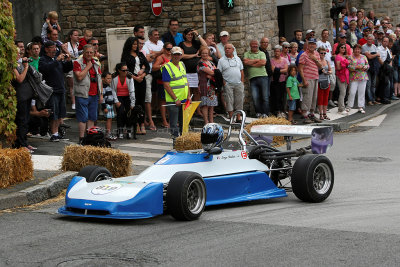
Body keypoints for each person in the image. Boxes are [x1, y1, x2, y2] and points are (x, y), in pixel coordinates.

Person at [39, 40, 73, 142]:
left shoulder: (56, 59)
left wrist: (68, 60)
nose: (55, 50)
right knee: (54, 113)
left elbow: (67, 69)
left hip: (60, 89)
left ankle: (57, 132)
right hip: (51, 90)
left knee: (60, 113)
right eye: (52, 48)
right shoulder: (43, 60)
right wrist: (57, 60)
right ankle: (53, 133)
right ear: (46, 49)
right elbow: (46, 69)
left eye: (55, 47)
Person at [73, 44, 103, 144]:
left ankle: (90, 137)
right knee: (83, 117)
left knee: (92, 117)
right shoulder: (77, 62)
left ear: (94, 53)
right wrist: (88, 67)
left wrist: (101, 94)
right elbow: (79, 77)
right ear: (83, 53)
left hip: (94, 94)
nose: (89, 54)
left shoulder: (96, 63)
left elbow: (99, 80)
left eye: (91, 52)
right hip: (82, 93)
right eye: (87, 52)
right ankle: (81, 138)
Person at [121, 37, 150, 134]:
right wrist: (135, 77)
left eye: (136, 44)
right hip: (132, 80)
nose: (135, 46)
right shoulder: (126, 55)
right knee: (133, 102)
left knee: (141, 102)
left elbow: (147, 66)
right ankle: (135, 124)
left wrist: (143, 74)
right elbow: (125, 69)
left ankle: (141, 123)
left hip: (142, 80)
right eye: (133, 44)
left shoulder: (141, 54)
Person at [162, 46, 191, 138]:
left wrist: (188, 95)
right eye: (175, 54)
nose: (177, 56)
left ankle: (183, 140)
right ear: (171, 55)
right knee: (174, 123)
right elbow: (166, 85)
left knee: (183, 122)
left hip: (183, 99)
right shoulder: (167, 67)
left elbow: (185, 81)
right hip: (173, 100)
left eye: (178, 54)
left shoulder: (182, 64)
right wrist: (175, 99)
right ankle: (175, 140)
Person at [179, 28, 207, 115]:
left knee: (196, 92)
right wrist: (194, 55)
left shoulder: (196, 43)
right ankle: (189, 110)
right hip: (186, 71)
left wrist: (198, 35)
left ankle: (198, 110)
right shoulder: (181, 44)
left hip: (195, 71)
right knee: (188, 91)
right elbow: (182, 56)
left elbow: (205, 45)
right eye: (188, 34)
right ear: (185, 35)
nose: (190, 36)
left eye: (192, 34)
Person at [12, 49, 35, 152]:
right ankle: (20, 144)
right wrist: (26, 67)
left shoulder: (20, 64)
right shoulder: (13, 65)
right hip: (20, 97)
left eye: (20, 53)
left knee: (26, 120)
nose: (19, 55)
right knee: (21, 120)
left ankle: (25, 142)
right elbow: (20, 79)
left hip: (27, 96)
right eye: (17, 53)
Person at [143, 29, 164, 131]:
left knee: (156, 92)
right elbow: (150, 58)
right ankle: (149, 116)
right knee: (149, 95)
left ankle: (155, 109)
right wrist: (160, 52)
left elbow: (157, 54)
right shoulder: (146, 44)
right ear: (150, 36)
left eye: (158, 34)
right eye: (155, 35)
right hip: (151, 71)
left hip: (158, 70)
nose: (157, 36)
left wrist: (155, 54)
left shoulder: (161, 42)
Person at [298, 38, 322, 123]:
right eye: (310, 44)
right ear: (308, 45)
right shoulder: (303, 55)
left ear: (316, 45)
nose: (312, 45)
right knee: (307, 97)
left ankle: (311, 114)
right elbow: (300, 69)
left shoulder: (316, 54)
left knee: (314, 97)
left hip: (315, 77)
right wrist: (304, 80)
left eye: (313, 44)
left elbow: (321, 66)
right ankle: (305, 115)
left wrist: (314, 58)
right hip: (307, 78)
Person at [218, 43, 244, 122]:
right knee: (229, 101)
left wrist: (242, 82)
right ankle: (231, 117)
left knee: (239, 100)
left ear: (233, 50)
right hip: (228, 84)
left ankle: (238, 118)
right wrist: (224, 83)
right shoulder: (221, 60)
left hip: (238, 83)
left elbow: (241, 70)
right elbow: (219, 73)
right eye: (226, 48)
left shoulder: (237, 58)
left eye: (229, 48)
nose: (227, 50)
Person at [244, 40, 269, 118]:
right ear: (250, 45)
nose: (254, 46)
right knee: (255, 97)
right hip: (252, 78)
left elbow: (263, 63)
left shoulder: (262, 53)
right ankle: (258, 112)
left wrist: (251, 63)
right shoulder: (246, 53)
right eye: (253, 45)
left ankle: (265, 113)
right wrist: (257, 60)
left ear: (258, 45)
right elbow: (245, 62)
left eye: (256, 45)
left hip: (263, 76)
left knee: (265, 96)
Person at [110, 63, 136, 139]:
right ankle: (120, 131)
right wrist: (116, 101)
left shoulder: (129, 77)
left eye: (126, 70)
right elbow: (113, 90)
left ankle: (128, 131)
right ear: (119, 70)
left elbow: (132, 91)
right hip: (118, 96)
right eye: (123, 70)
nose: (125, 72)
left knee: (129, 113)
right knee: (120, 113)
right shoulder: (114, 77)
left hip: (127, 96)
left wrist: (132, 103)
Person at [152, 42, 173, 128]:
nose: (169, 51)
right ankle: (164, 121)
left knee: (171, 101)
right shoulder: (161, 57)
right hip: (162, 82)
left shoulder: (173, 56)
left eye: (171, 49)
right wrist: (162, 65)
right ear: (164, 49)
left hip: (172, 83)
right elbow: (154, 67)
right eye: (168, 49)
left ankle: (171, 120)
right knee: (163, 101)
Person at [197, 46, 218, 124]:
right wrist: (213, 73)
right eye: (203, 53)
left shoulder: (211, 62)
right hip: (204, 85)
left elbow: (216, 71)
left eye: (206, 53)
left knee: (211, 104)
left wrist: (213, 74)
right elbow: (213, 72)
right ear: (200, 54)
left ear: (208, 54)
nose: (204, 54)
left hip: (212, 85)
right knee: (205, 104)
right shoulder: (200, 63)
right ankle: (206, 121)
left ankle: (211, 121)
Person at [346, 44, 369, 114]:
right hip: (354, 77)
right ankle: (349, 106)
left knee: (361, 92)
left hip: (363, 76)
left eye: (358, 49)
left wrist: (365, 67)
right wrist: (356, 67)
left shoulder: (364, 57)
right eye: (356, 49)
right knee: (352, 92)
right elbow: (349, 66)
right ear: (353, 50)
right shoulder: (350, 57)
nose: (357, 50)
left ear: (360, 50)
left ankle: (360, 106)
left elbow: (367, 65)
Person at [317, 29, 336, 108]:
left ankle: (329, 100)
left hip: (330, 65)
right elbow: (317, 53)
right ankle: (321, 104)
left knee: (332, 83)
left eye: (327, 34)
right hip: (322, 65)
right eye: (324, 33)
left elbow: (330, 53)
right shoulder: (319, 43)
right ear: (321, 34)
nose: (325, 35)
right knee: (323, 85)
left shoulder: (328, 43)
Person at [270, 45, 288, 118]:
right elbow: (273, 70)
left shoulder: (284, 60)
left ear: (280, 52)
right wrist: (281, 70)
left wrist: (278, 70)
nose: (276, 53)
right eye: (275, 51)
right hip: (275, 81)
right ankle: (276, 111)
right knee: (275, 96)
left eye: (278, 51)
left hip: (282, 80)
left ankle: (281, 110)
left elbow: (286, 70)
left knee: (282, 96)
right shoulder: (272, 60)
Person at [362, 34, 380, 105]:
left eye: (371, 39)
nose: (369, 41)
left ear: (373, 40)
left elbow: (378, 55)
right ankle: (369, 100)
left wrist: (373, 55)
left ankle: (373, 99)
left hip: (374, 67)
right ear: (367, 39)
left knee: (373, 84)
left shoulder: (374, 46)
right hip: (368, 67)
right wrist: (375, 54)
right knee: (368, 84)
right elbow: (369, 57)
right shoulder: (364, 46)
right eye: (368, 39)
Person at [66, 29, 80, 110]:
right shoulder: (66, 45)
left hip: (78, 66)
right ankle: (73, 102)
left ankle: (78, 101)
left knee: (79, 84)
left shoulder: (78, 45)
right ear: (71, 36)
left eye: (78, 35)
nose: (77, 36)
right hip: (71, 66)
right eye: (75, 35)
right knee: (72, 85)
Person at [334, 43, 350, 114]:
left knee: (345, 92)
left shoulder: (344, 56)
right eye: (342, 47)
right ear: (339, 48)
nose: (343, 49)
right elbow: (338, 67)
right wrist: (344, 64)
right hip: (340, 75)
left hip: (345, 74)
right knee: (342, 92)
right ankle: (341, 108)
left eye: (344, 48)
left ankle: (342, 107)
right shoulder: (338, 57)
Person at [101, 72, 117, 140]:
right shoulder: (103, 88)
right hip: (107, 105)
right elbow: (103, 99)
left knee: (110, 119)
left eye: (110, 78)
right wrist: (104, 107)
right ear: (103, 78)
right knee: (109, 119)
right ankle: (108, 133)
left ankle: (108, 132)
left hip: (110, 105)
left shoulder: (108, 86)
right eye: (108, 78)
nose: (109, 80)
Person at [317, 47, 332, 120]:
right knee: (320, 98)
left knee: (326, 98)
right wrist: (321, 71)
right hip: (320, 81)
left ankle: (325, 113)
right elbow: (316, 71)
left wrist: (329, 72)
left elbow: (330, 70)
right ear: (318, 53)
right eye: (321, 53)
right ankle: (320, 114)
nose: (323, 54)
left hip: (327, 80)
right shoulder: (317, 61)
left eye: (324, 53)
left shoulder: (327, 61)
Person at [377, 37, 393, 104]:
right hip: (381, 68)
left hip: (387, 69)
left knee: (387, 83)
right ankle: (382, 98)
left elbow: (390, 59)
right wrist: (385, 66)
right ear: (382, 42)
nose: (385, 43)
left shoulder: (387, 50)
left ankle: (386, 97)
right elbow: (379, 59)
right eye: (384, 41)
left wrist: (390, 67)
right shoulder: (379, 49)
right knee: (384, 83)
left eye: (387, 41)